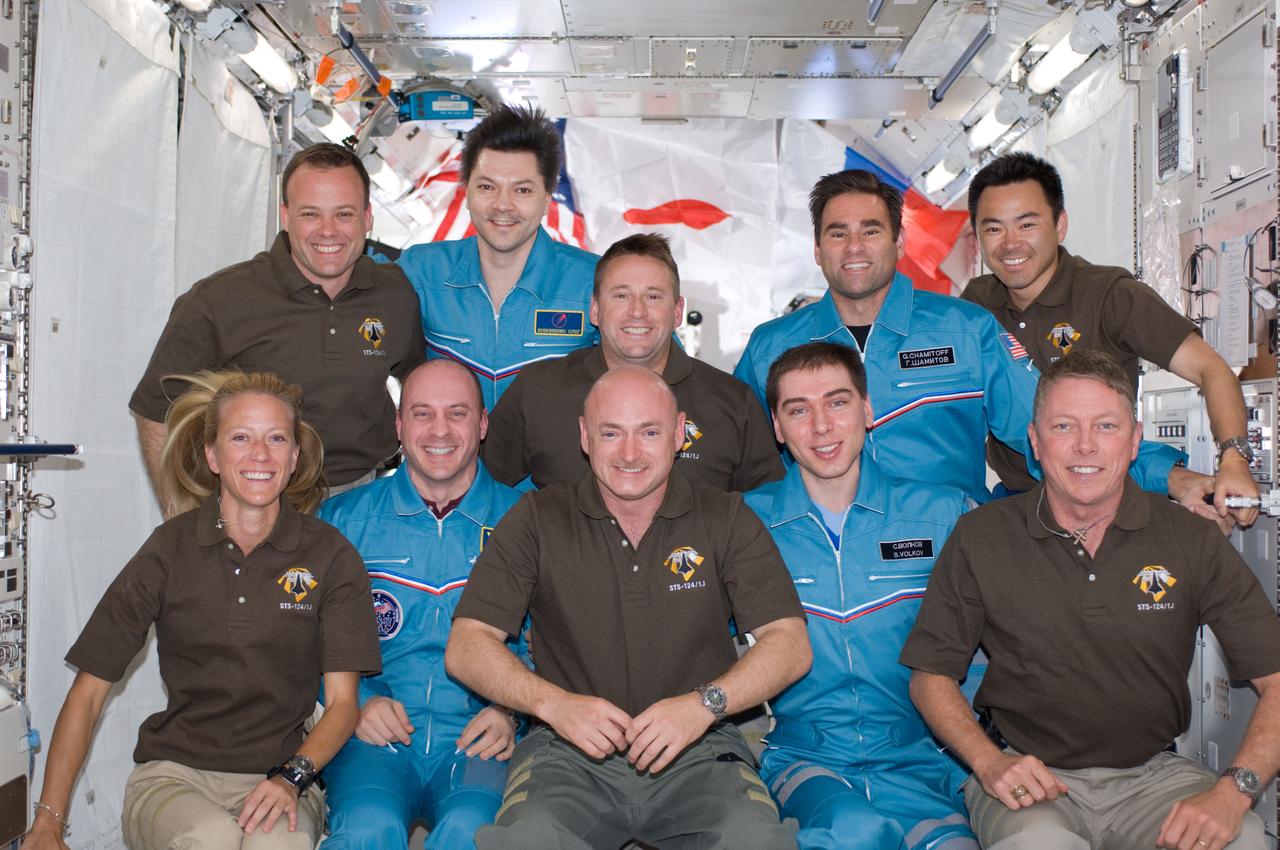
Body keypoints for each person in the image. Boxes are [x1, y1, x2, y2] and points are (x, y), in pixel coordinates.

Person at [901, 350, 1280, 850]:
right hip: (1031, 777)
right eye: (1062, 426)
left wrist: (1235, 792)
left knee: (1245, 840)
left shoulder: (1191, 539)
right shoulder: (982, 535)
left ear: (1134, 441)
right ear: (1035, 442)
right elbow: (930, 676)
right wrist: (989, 762)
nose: (1084, 446)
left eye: (1105, 426)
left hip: (1154, 778)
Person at [445, 366, 811, 849]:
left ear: (680, 433)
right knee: (525, 840)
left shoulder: (725, 517)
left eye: (650, 432)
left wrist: (704, 706)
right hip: (565, 753)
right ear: (584, 436)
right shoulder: (536, 518)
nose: (631, 453)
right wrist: (553, 705)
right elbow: (467, 646)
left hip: (701, 749)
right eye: (611, 432)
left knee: (757, 840)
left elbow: (790, 645)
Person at [24, 372, 382, 850]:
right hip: (175, 776)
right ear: (213, 455)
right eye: (241, 438)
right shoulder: (168, 549)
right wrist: (48, 822)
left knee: (278, 846)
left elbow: (341, 706)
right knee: (211, 839)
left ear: (294, 457)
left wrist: (291, 778)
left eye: (276, 438)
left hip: (283, 776)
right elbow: (88, 694)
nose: (260, 454)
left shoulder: (331, 556)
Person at [732, 169, 1198, 505]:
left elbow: (1055, 428)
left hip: (949, 566)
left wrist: (1171, 477)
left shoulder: (966, 330)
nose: (854, 248)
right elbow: (730, 458)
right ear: (817, 250)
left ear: (898, 243)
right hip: (821, 577)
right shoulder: (771, 348)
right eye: (838, 234)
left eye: (871, 231)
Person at [744, 342, 976, 850]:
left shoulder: (944, 515)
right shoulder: (743, 525)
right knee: (852, 833)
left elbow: (990, 649)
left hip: (924, 759)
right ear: (777, 428)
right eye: (798, 410)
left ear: (868, 410)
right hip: (802, 761)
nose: (821, 426)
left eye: (838, 402)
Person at [961, 151, 1258, 524]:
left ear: (1060, 225)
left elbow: (1210, 368)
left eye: (1026, 225)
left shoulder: (1109, 295)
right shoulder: (974, 307)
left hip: (1108, 507)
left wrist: (1233, 458)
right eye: (993, 228)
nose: (1009, 243)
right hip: (1019, 508)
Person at [130, 144, 425, 502]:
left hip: (365, 498)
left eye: (344, 214)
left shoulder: (395, 295)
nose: (328, 231)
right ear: (285, 217)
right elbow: (155, 407)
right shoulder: (220, 299)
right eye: (310, 214)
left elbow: (419, 382)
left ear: (367, 217)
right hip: (260, 500)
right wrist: (182, 512)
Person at [316, 359, 524, 849]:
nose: (439, 430)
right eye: (422, 413)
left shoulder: (525, 522)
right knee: (367, 828)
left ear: (483, 424)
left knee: (472, 833)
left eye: (457, 413)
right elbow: (301, 640)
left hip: (478, 737)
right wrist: (353, 703)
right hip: (373, 734)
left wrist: (510, 710)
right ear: (399, 425)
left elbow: (551, 638)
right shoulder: (343, 520)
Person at [484, 232, 783, 491]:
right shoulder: (538, 390)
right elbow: (477, 489)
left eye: (653, 297)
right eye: (621, 296)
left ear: (678, 311)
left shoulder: (733, 403)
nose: (637, 311)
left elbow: (769, 514)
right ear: (595, 309)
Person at [399, 104, 599, 409]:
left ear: (546, 199)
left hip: (554, 456)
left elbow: (658, 372)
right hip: (447, 454)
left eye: (522, 191)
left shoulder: (595, 282)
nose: (502, 205)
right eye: (487, 187)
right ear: (466, 192)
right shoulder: (419, 272)